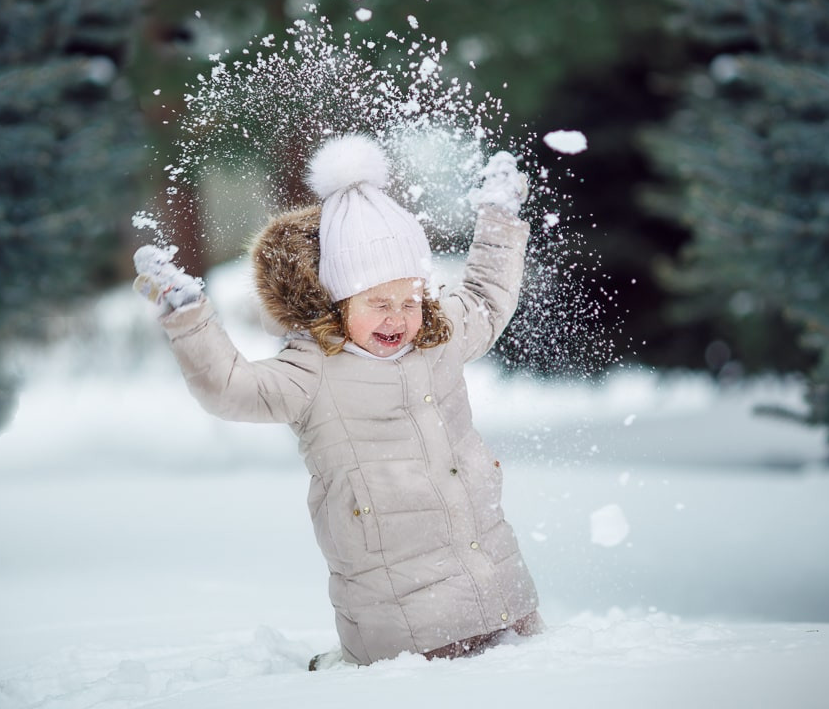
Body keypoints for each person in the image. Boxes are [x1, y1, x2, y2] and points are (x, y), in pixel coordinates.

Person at [133, 133, 542, 668]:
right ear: (338, 301)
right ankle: (344, 670)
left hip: (502, 592)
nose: (397, 317)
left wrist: (500, 217)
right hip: (400, 625)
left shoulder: (440, 337)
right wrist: (188, 316)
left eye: (409, 299)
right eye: (377, 303)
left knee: (525, 670)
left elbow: (487, 297)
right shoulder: (312, 370)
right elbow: (231, 389)